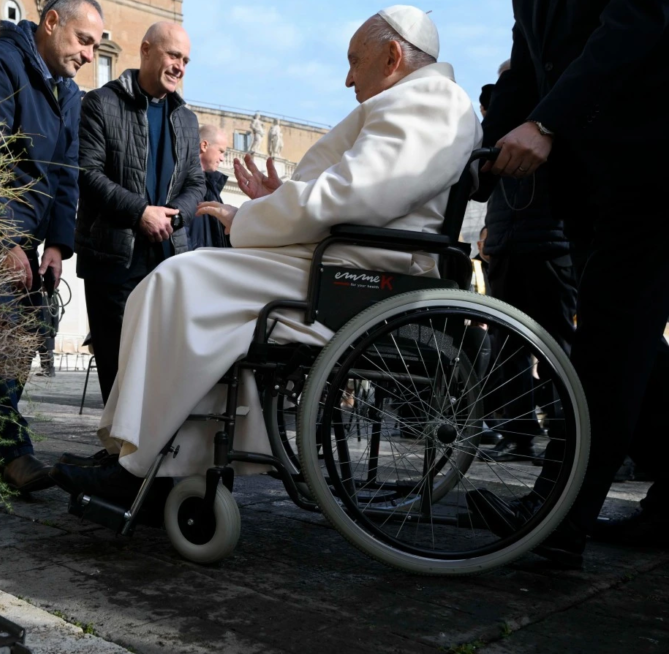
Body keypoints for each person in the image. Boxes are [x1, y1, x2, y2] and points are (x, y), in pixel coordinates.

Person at [51, 6, 482, 497]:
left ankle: (139, 467)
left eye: (354, 61)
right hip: (343, 257)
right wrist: (278, 200)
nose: (346, 78)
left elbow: (350, 195)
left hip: (355, 268)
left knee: (178, 282)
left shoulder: (429, 103)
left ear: (392, 55)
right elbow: (352, 191)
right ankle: (156, 457)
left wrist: (248, 218)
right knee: (182, 285)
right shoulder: (420, 101)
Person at [472, 0, 669, 568]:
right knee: (629, 344)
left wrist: (547, 122)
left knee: (608, 341)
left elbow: (639, 18)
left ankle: (557, 516)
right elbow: (531, 68)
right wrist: (478, 160)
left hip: (652, 164)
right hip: (591, 182)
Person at [0, 0, 105, 494]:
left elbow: (65, 173)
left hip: (26, 229)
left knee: (25, 333)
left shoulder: (68, 92)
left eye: (96, 45)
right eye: (83, 41)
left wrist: (57, 243)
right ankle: (11, 452)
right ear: (51, 23)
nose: (90, 55)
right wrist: (2, 238)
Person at [72, 22, 206, 409]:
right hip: (113, 259)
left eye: (185, 59)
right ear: (146, 50)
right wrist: (139, 213)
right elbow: (87, 172)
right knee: (117, 368)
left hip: (168, 260)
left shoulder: (186, 119)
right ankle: (118, 457)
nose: (179, 66)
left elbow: (196, 184)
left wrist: (172, 218)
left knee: (161, 369)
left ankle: (148, 460)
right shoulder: (100, 103)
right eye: (172, 55)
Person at [477, 61, 577, 464]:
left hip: (549, 243)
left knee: (558, 348)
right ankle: (519, 434)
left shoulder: (555, 120)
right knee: (508, 348)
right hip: (507, 243)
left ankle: (565, 436)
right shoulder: (504, 121)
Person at [186, 124, 232, 250]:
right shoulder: (181, 181)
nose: (222, 159)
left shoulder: (212, 188)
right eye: (221, 151)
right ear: (204, 145)